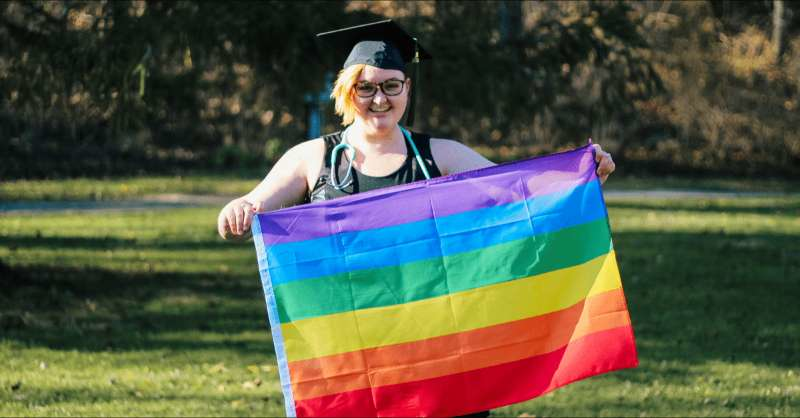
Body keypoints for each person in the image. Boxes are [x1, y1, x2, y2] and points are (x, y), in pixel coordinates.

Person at [216, 20, 615, 417]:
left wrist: (581, 171)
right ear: (346, 91)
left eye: (391, 85)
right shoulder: (313, 158)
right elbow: (253, 205)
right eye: (365, 87)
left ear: (407, 88)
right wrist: (238, 210)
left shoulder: (440, 156)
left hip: (438, 354)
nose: (379, 99)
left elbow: (519, 192)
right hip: (353, 361)